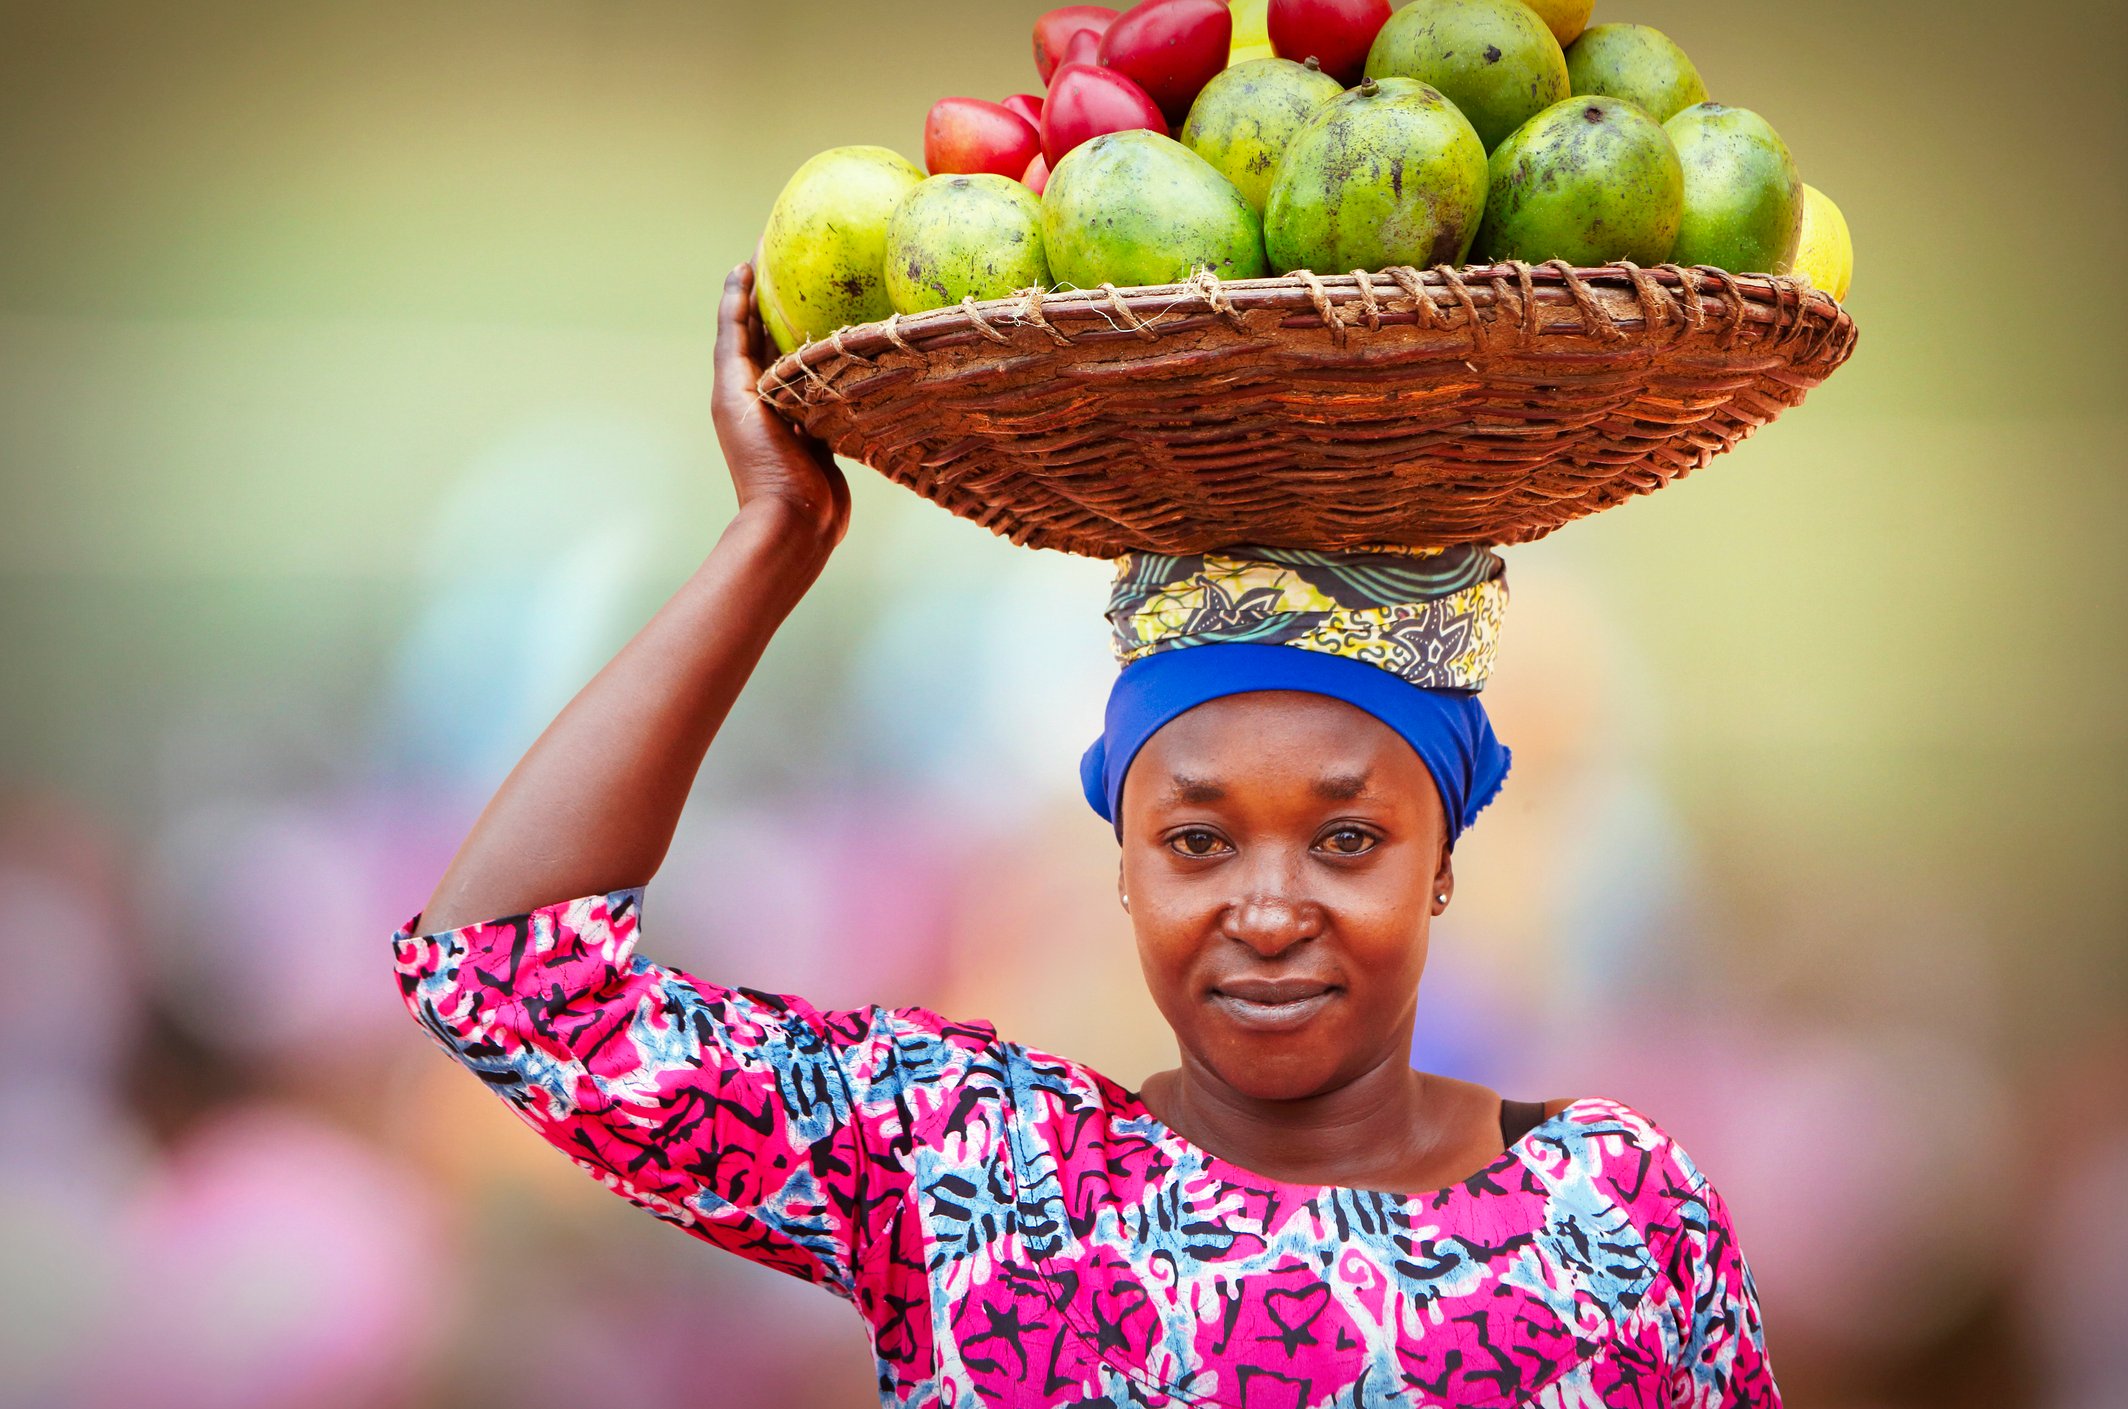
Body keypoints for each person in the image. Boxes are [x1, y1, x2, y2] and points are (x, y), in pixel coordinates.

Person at [394, 264, 1779, 1407]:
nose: (1271, 905)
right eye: (1198, 840)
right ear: (1119, 863)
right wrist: (774, 536)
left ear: (1451, 857)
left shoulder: (1617, 1214)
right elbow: (507, 976)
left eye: (1348, 837)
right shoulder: (976, 1174)